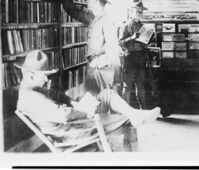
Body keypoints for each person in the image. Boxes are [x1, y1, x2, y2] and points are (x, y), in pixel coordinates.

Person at [16, 50, 161, 151]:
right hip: (73, 132)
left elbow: (55, 94)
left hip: (74, 124)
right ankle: (131, 163)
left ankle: (136, 114)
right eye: (44, 75)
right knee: (129, 124)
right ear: (30, 75)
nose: (47, 79)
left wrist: (72, 102)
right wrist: (84, 112)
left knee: (107, 94)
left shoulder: (31, 89)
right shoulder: (31, 98)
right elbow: (64, 115)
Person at [59, 0, 120, 95]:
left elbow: (113, 50)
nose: (86, 1)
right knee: (93, 103)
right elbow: (76, 12)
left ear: (96, 1)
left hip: (101, 71)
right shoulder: (94, 19)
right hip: (94, 69)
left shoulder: (106, 20)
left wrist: (96, 63)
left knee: (102, 103)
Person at [118, 0, 148, 109]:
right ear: (131, 11)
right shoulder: (125, 26)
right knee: (127, 87)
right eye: (138, 11)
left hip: (140, 58)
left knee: (141, 86)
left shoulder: (142, 27)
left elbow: (143, 43)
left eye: (141, 11)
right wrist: (132, 37)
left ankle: (143, 110)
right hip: (129, 58)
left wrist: (148, 40)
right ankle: (125, 113)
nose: (140, 13)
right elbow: (120, 42)